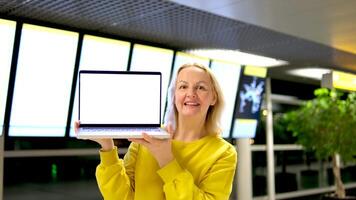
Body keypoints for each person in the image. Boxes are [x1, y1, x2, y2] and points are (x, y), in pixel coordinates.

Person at [75, 63, 237, 200]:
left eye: (200, 87)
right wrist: (107, 147)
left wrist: (166, 159)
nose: (190, 94)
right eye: (183, 86)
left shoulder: (224, 153)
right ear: (173, 95)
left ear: (214, 98)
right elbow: (122, 196)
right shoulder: (146, 137)